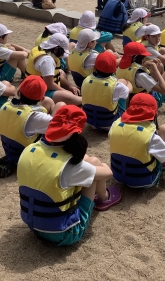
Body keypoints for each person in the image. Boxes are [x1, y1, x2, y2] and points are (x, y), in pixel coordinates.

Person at [17, 105, 121, 246]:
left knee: (89, 163)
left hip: (33, 225)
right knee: (94, 167)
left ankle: (100, 194)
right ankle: (104, 198)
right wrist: (100, 164)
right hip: (63, 233)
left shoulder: (29, 149)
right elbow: (108, 173)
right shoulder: (70, 166)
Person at [0, 75, 65, 173]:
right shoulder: (34, 117)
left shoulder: (5, 106)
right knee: (60, 105)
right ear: (42, 98)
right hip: (28, 157)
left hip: (12, 151)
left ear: (18, 92)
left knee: (49, 103)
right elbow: (58, 127)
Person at [108, 93, 165, 188]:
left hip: (117, 176)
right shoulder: (150, 135)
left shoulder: (115, 125)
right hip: (144, 181)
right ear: (156, 113)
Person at [116, 42, 165, 107]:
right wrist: (156, 70)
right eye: (143, 58)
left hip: (132, 101)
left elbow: (132, 70)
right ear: (135, 58)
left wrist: (143, 64)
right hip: (146, 104)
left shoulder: (120, 67)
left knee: (159, 66)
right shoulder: (140, 75)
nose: (144, 59)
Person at [25, 33, 82, 105]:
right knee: (68, 96)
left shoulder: (41, 48)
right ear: (56, 48)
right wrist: (64, 91)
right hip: (38, 92)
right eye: (63, 51)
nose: (63, 54)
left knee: (61, 72)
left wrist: (70, 86)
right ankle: (84, 100)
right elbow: (49, 85)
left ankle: (70, 90)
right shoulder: (47, 60)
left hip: (34, 86)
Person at [82, 52, 132, 131]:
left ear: (94, 67)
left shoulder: (86, 80)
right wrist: (128, 82)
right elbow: (129, 91)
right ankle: (125, 114)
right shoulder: (116, 85)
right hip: (109, 123)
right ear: (114, 69)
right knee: (123, 89)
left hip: (90, 121)